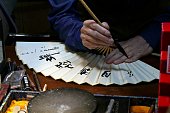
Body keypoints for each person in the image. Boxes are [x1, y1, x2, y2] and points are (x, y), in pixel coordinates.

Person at [48, 0, 170, 64]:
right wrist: (81, 34)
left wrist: (151, 35)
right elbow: (61, 14)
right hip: (88, 49)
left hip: (153, 46)